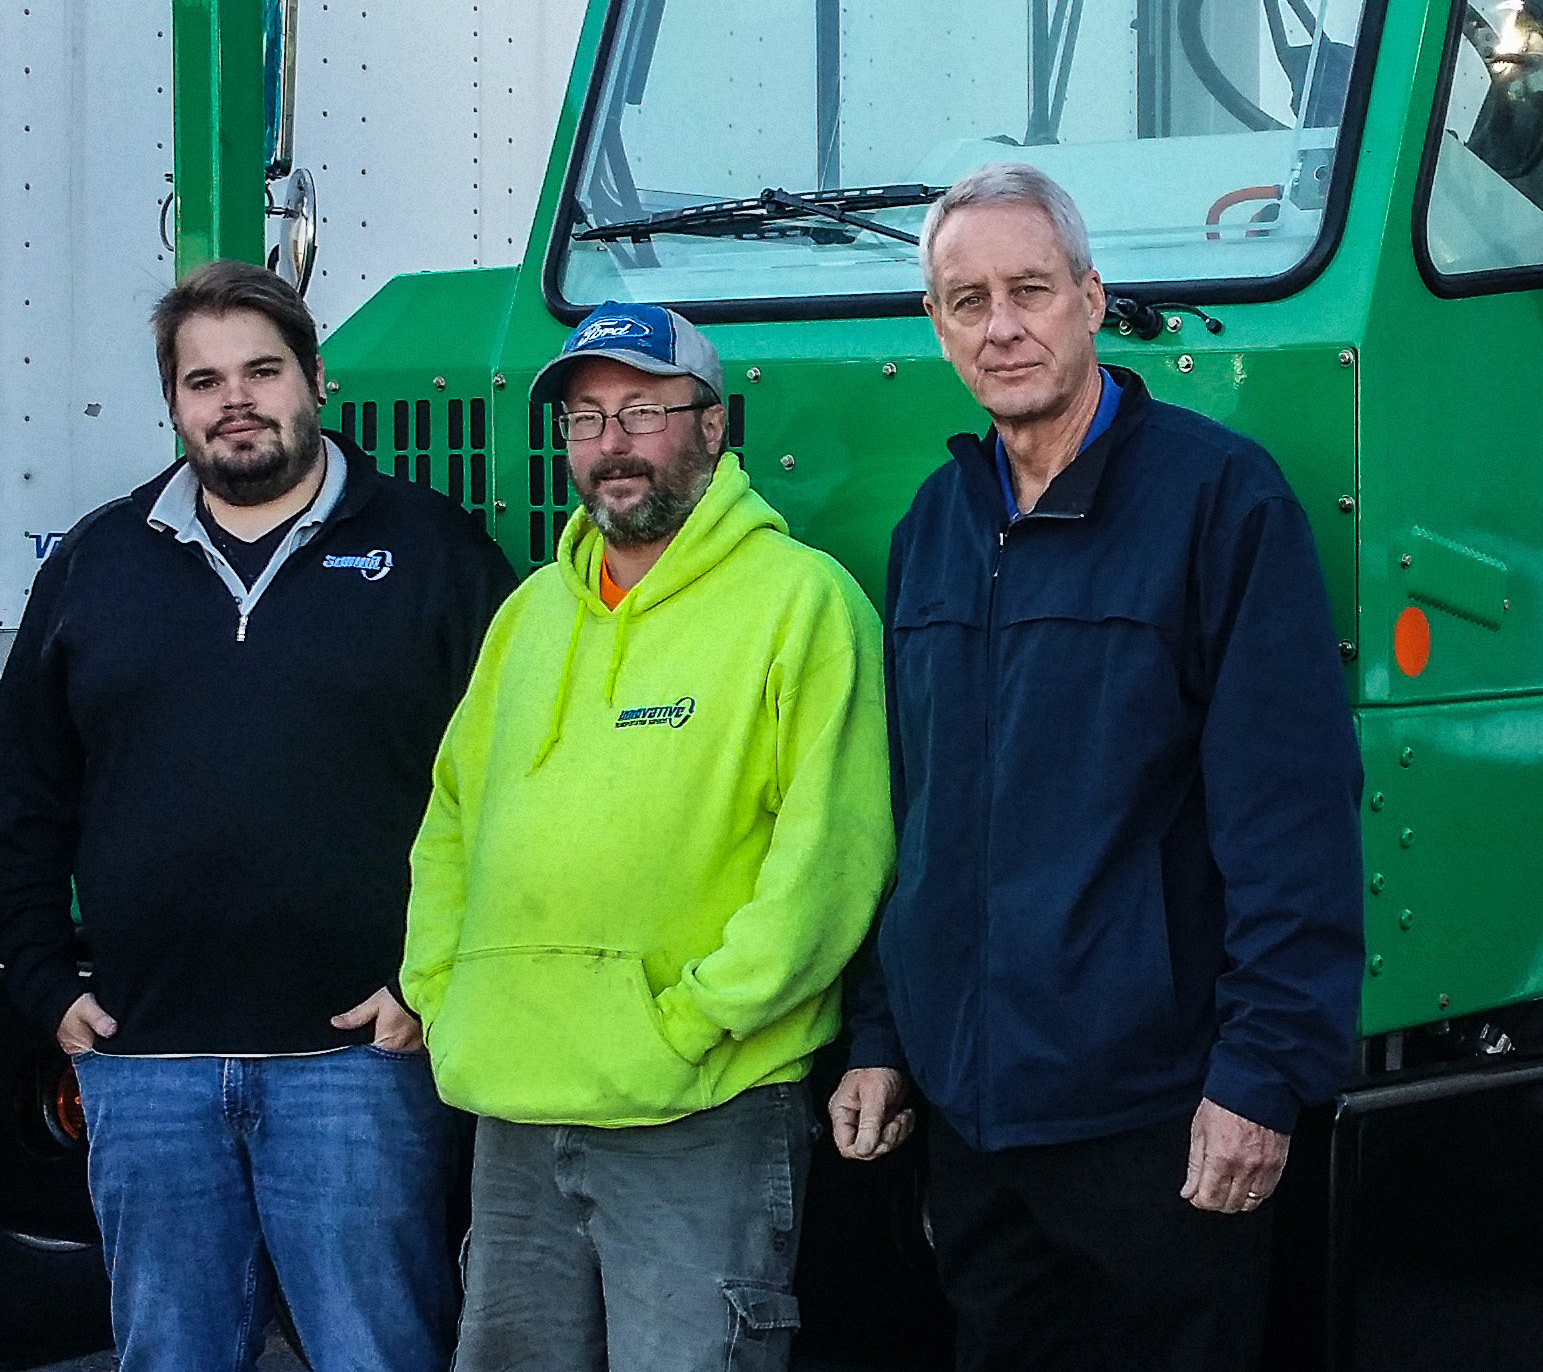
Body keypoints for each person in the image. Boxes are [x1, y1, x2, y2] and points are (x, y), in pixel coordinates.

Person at [831, 163, 1363, 1372]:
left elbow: (1289, 816)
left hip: (1154, 1113)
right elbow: (914, 819)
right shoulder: (937, 524)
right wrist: (882, 1034)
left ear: (1090, 295)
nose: (1001, 324)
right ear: (937, 327)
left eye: (1029, 288)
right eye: (967, 300)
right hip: (974, 1118)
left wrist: (1261, 1076)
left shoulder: (1217, 500)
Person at [0, 260, 517, 1372]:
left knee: (377, 1353)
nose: (235, 398)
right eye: (203, 379)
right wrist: (40, 978)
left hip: (360, 1062)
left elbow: (512, 796)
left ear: (314, 380)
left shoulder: (436, 552)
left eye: (261, 369)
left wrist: (432, 980)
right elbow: (23, 793)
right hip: (144, 1069)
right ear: (175, 403)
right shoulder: (97, 562)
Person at [402, 301, 892, 1372]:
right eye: (584, 419)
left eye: (641, 412)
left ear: (712, 427)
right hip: (517, 1100)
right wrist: (445, 991)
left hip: (700, 1102)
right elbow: (449, 822)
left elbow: (831, 860)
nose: (609, 445)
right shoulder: (529, 615)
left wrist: (690, 1020)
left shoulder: (803, 603)